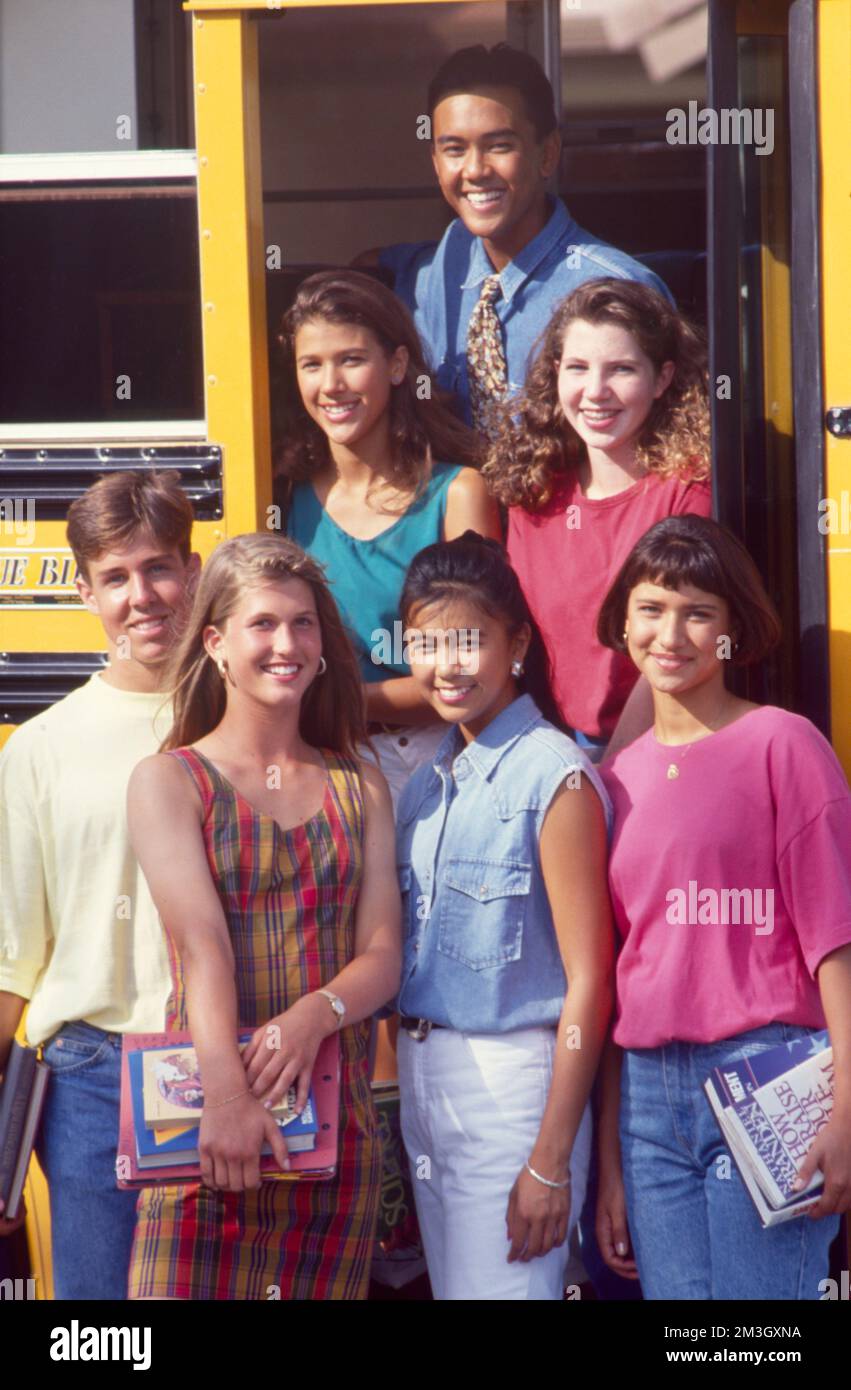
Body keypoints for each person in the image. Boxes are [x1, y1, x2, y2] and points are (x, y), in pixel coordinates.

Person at [126, 534, 401, 1300]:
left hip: (331, 1140)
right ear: (214, 643)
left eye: (304, 624)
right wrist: (228, 1098)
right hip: (204, 1126)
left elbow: (382, 955)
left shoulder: (362, 787)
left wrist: (314, 1015)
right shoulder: (169, 781)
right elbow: (202, 947)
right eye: (264, 624)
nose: (288, 644)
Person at [594, 515, 851, 1300]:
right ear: (623, 621)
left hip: (767, 1072)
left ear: (733, 629)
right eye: (650, 607)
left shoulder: (783, 743)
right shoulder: (612, 779)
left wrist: (845, 1112)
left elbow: (835, 944)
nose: (670, 632)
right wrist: (607, 1161)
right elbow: (614, 972)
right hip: (645, 1097)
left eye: (697, 612)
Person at [392, 532, 615, 1300]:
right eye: (424, 642)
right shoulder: (427, 783)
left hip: (513, 1089)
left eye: (466, 640)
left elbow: (591, 979)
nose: (444, 665)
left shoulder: (555, 776)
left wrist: (549, 1158)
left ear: (515, 641)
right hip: (423, 1083)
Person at [0, 471, 200, 1296]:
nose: (141, 596)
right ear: (85, 592)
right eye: (115, 577)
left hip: (231, 1063)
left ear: (193, 571)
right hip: (89, 1079)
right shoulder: (40, 750)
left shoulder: (244, 719)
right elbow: (13, 960)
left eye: (157, 568)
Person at [356, 44, 669, 433]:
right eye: (454, 149)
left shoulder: (619, 287)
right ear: (436, 164)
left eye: (499, 146)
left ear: (548, 154)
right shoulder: (445, 263)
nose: (474, 170)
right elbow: (375, 270)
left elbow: (667, 454)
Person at [278, 269, 501, 808]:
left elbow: (473, 670)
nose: (330, 384)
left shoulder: (458, 494)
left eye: (351, 360)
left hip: (439, 758)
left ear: (397, 365)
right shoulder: (283, 496)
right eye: (312, 364)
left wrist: (341, 700)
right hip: (320, 758)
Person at [485, 278, 711, 760]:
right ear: (556, 373)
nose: (595, 391)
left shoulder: (687, 494)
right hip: (557, 748)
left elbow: (670, 659)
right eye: (578, 368)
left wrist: (608, 775)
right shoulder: (534, 493)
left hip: (663, 748)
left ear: (662, 378)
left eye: (621, 369)